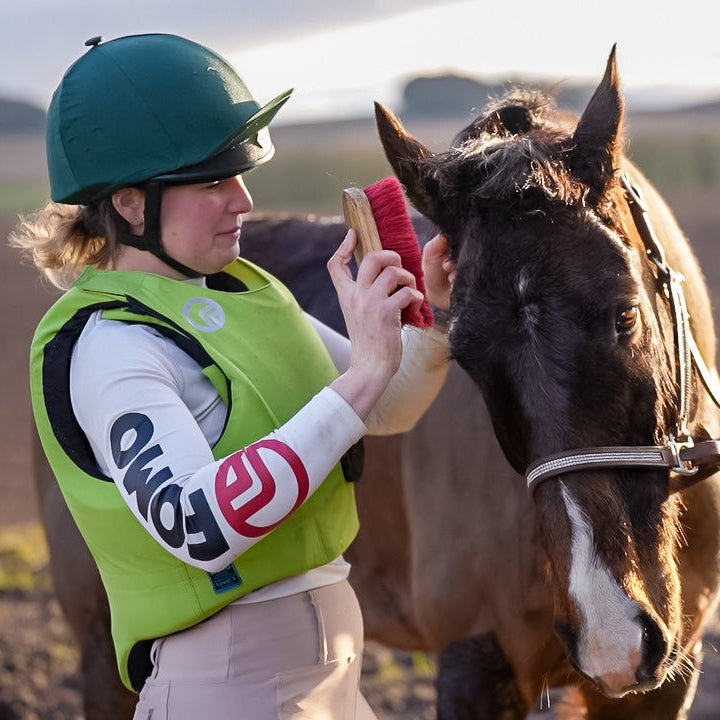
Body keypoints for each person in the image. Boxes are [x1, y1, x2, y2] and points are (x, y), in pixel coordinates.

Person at [15, 33, 454, 719]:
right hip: (232, 685)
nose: (244, 200)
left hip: (330, 675)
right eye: (214, 181)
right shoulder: (113, 345)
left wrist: (424, 317)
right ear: (131, 205)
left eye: (240, 175)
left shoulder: (243, 291)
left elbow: (389, 406)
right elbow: (201, 526)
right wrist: (362, 372)